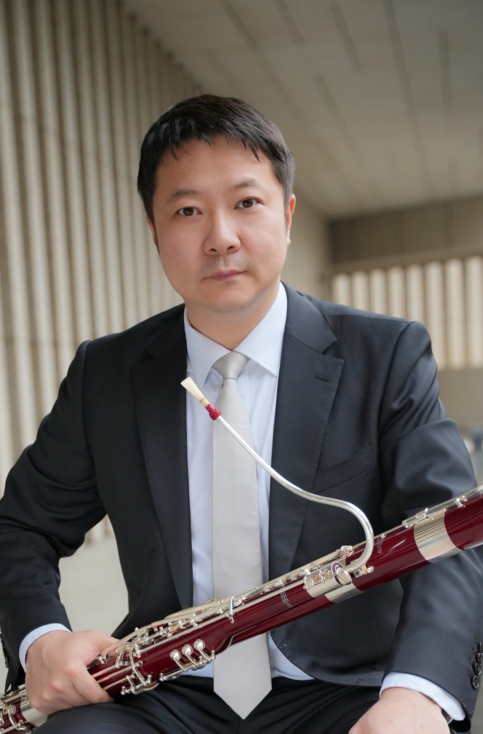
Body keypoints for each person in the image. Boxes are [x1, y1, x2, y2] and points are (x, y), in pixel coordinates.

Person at [0, 94, 481, 734]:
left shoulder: (385, 353)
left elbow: (450, 536)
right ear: (154, 231)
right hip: (170, 691)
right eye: (188, 210)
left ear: (287, 214)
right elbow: (21, 527)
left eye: (246, 203)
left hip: (344, 688)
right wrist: (40, 640)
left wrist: (417, 694)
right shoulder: (106, 375)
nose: (220, 237)